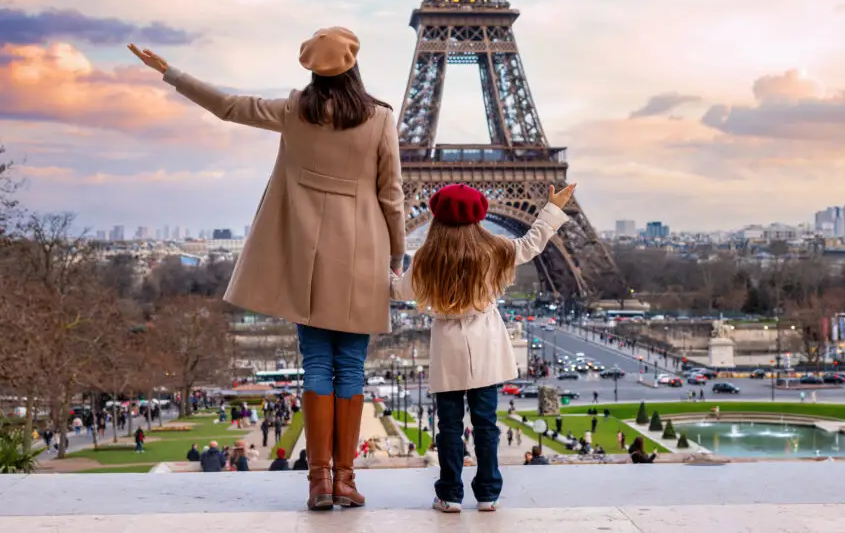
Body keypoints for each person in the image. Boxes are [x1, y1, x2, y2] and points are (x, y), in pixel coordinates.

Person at [127, 28, 404, 512]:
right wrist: (396, 254)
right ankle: (345, 479)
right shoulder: (380, 119)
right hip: (362, 257)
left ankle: (318, 480)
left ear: (313, 70)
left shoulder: (294, 111)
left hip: (307, 258)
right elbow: (392, 196)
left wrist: (170, 73)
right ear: (354, 66)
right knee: (352, 368)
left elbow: (228, 106)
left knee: (317, 364)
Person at [390, 182, 576, 514]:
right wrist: (551, 207)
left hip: (448, 344)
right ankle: (488, 492)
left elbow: (398, 291)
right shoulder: (495, 251)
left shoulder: (425, 258)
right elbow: (533, 243)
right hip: (486, 340)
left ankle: (449, 493)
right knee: (486, 423)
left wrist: (384, 272)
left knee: (448, 426)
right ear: (478, 216)